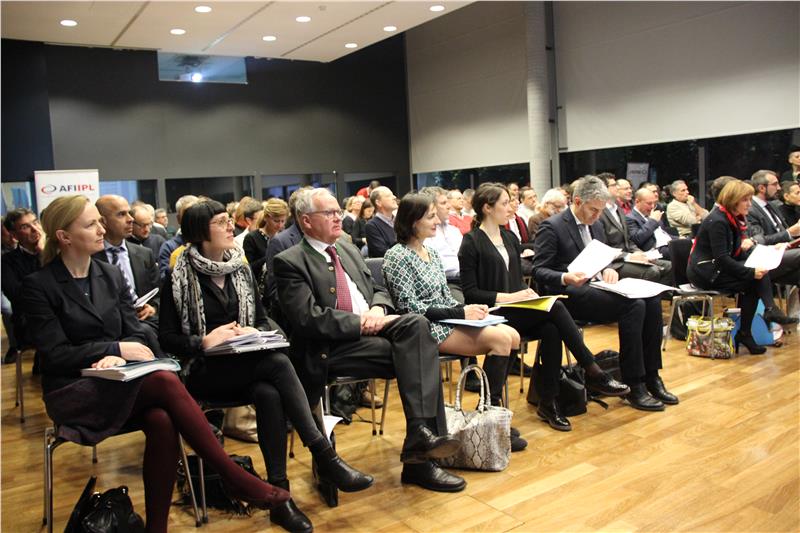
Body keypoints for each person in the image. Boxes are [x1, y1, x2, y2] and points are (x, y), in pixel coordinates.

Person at [23, 195, 292, 533]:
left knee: (162, 420)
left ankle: (158, 528)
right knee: (163, 381)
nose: (101, 229)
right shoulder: (39, 286)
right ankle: (231, 475)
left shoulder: (109, 274)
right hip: (73, 392)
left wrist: (124, 351)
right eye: (91, 224)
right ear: (64, 237)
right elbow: (55, 354)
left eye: (99, 221)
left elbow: (135, 329)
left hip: (119, 382)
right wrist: (112, 348)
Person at [159, 199, 373, 533]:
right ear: (200, 232)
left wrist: (254, 332)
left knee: (269, 393)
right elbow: (167, 338)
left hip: (247, 364)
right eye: (221, 222)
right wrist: (203, 341)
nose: (230, 226)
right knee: (277, 363)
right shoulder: (177, 277)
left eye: (228, 220)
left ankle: (279, 498)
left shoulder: (240, 269)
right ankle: (323, 454)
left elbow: (260, 319)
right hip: (202, 371)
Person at [273, 188, 466, 493]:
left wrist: (378, 309)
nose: (338, 217)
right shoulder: (290, 261)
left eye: (338, 211)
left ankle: (419, 435)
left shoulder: (347, 249)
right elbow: (308, 319)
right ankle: (420, 459)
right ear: (306, 221)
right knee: (421, 352)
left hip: (375, 331)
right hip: (332, 347)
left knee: (418, 326)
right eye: (329, 213)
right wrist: (360, 322)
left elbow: (379, 290)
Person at [460, 183, 629, 431]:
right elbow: (471, 293)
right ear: (487, 208)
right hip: (490, 312)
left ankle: (549, 401)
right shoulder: (471, 242)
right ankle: (593, 370)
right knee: (556, 308)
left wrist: (526, 293)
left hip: (514, 308)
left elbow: (516, 279)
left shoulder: (509, 237)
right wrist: (512, 297)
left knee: (552, 328)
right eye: (505, 203)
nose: (511, 208)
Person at [383, 192, 527, 449]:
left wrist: (468, 309)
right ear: (413, 221)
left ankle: (490, 412)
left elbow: (445, 298)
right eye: (431, 217)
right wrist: (460, 314)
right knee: (501, 340)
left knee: (513, 336)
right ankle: (488, 419)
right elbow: (409, 308)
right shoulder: (397, 256)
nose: (438, 221)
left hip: (445, 319)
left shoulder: (431, 252)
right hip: (424, 327)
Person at [533, 176, 679, 413]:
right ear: (577, 202)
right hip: (568, 295)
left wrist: (608, 268)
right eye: (593, 210)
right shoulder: (553, 226)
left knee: (651, 299)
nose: (597, 215)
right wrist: (566, 277)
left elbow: (602, 256)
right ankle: (634, 382)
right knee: (634, 306)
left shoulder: (597, 224)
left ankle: (651, 375)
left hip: (596, 287)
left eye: (601, 210)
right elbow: (539, 270)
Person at [687, 181, 797, 354]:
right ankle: (760, 319)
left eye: (750, 200)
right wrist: (750, 271)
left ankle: (753, 326)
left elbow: (736, 253)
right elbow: (722, 259)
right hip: (706, 272)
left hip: (719, 267)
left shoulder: (735, 218)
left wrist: (766, 252)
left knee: (757, 273)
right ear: (733, 200)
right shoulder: (718, 221)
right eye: (745, 200)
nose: (749, 204)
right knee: (754, 277)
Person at [94, 195, 160, 331]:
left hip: (144, 323)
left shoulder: (144, 254)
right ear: (103, 221)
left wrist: (153, 307)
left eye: (129, 213)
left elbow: (159, 293)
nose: (130, 219)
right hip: (108, 330)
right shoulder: (90, 258)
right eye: (121, 214)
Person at [1, 208, 44, 364]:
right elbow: (17, 295)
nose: (35, 229)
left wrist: (44, 253)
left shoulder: (53, 252)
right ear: (14, 235)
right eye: (25, 226)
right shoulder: (7, 261)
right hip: (29, 319)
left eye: (35, 222)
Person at [243, 198, 288, 280]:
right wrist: (270, 256)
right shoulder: (251, 238)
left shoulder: (285, 236)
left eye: (283, 221)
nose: (280, 225)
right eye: (276, 221)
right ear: (266, 218)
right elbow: (248, 269)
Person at [626, 188, 674, 260]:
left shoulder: (651, 213)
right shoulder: (630, 218)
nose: (652, 206)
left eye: (654, 203)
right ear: (637, 202)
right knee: (683, 251)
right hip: (654, 249)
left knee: (688, 243)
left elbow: (663, 233)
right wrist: (653, 221)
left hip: (668, 244)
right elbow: (637, 239)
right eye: (649, 203)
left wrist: (679, 238)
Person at [158, 195, 198, 278]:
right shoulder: (169, 247)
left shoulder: (210, 241)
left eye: (197, 214)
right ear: (179, 219)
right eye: (188, 215)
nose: (194, 219)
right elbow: (164, 280)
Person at [365, 186, 398, 257]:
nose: (394, 197)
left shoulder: (399, 221)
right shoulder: (371, 226)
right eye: (389, 195)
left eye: (393, 194)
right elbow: (382, 252)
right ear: (378, 203)